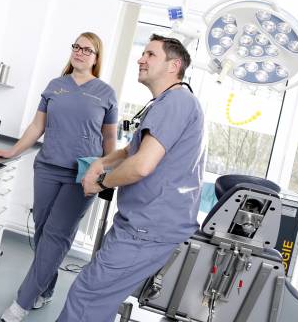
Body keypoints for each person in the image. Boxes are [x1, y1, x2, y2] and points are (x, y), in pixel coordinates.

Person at [56, 34, 205, 322]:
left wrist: (99, 182)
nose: (140, 59)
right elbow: (131, 151)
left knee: (86, 297)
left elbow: (142, 166)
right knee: (98, 301)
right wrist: (102, 162)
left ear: (173, 66)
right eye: (143, 53)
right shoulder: (168, 102)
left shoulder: (176, 102)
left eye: (150, 55)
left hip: (147, 229)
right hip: (142, 224)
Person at [0, 32, 118, 322]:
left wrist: (106, 174)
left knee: (56, 237)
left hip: (81, 176)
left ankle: (22, 303)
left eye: (87, 49)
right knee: (42, 231)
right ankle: (46, 288)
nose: (80, 52)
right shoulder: (55, 86)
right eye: (76, 47)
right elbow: (37, 126)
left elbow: (110, 139)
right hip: (47, 168)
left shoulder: (105, 93)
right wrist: (13, 151)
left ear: (96, 58)